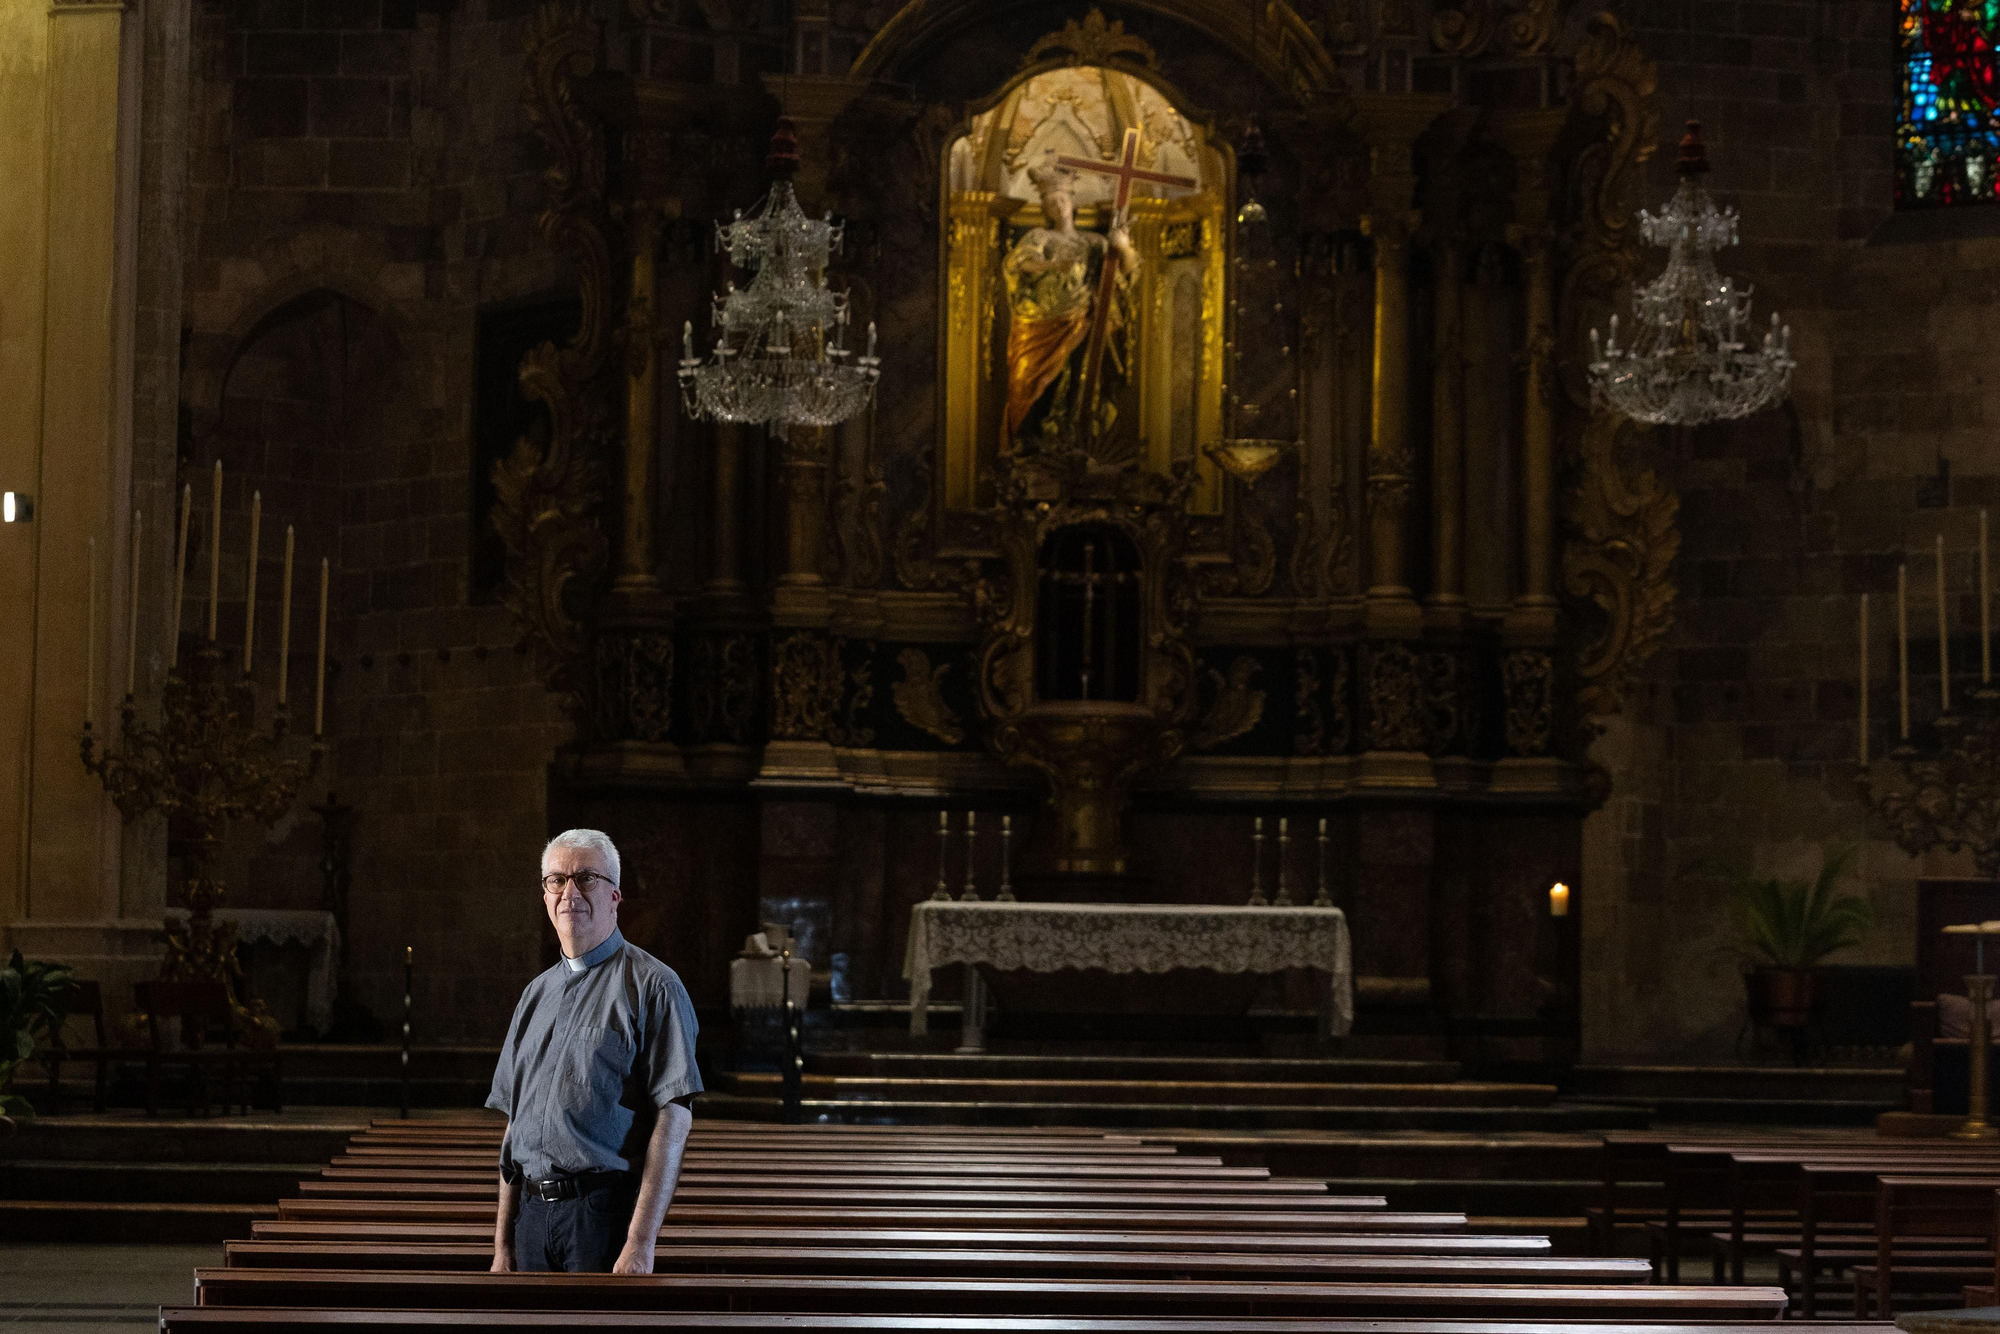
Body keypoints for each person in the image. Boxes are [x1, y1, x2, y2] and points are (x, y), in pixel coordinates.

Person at [486, 828, 702, 1274]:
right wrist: (501, 1244)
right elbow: (514, 1124)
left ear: (615, 896)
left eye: (586, 878)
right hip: (531, 1215)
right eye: (556, 880)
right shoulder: (534, 995)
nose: (569, 892)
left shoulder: (654, 986)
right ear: (545, 896)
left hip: (600, 1216)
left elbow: (674, 1116)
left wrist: (640, 1242)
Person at [1001, 159, 1141, 446]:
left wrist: (1123, 246)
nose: (1058, 206)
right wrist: (1052, 265)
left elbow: (1126, 273)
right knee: (1028, 384)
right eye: (1051, 202)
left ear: (1072, 202)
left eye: (1062, 199)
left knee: (1076, 381)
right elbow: (1018, 263)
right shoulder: (1039, 236)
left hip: (1079, 323)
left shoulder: (1092, 243)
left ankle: (1069, 442)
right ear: (1045, 207)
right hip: (1038, 326)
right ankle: (1026, 445)